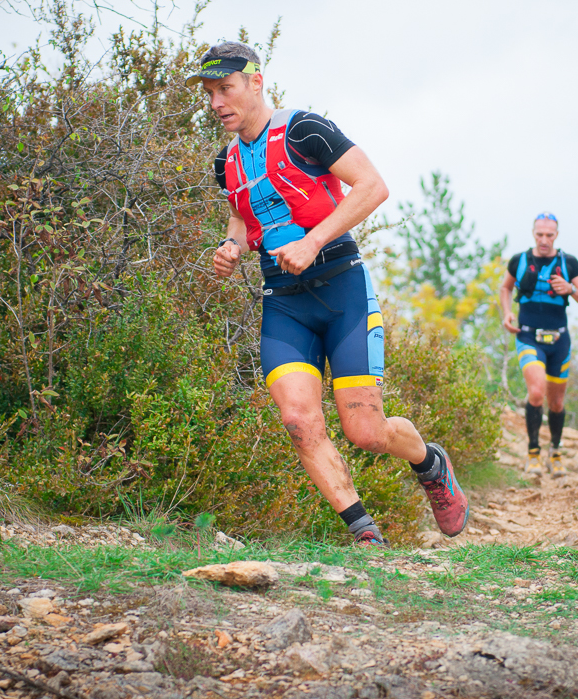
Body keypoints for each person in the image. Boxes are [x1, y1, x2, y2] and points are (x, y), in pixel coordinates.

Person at [190, 41, 469, 546]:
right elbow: (241, 219)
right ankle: (365, 534)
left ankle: (431, 463)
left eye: (225, 89)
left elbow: (372, 186)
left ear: (255, 82)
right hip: (283, 302)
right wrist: (230, 248)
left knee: (366, 432)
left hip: (342, 291)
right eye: (209, 93)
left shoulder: (305, 129)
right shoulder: (225, 161)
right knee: (299, 421)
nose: (216, 102)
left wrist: (313, 240)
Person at [499, 213, 578, 476]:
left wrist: (570, 289)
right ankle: (533, 454)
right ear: (533, 233)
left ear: (556, 235)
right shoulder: (519, 261)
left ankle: (555, 452)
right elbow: (506, 288)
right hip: (528, 336)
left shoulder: (569, 263)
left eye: (549, 235)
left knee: (556, 402)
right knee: (536, 392)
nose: (544, 240)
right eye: (539, 234)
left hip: (559, 340)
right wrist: (507, 312)